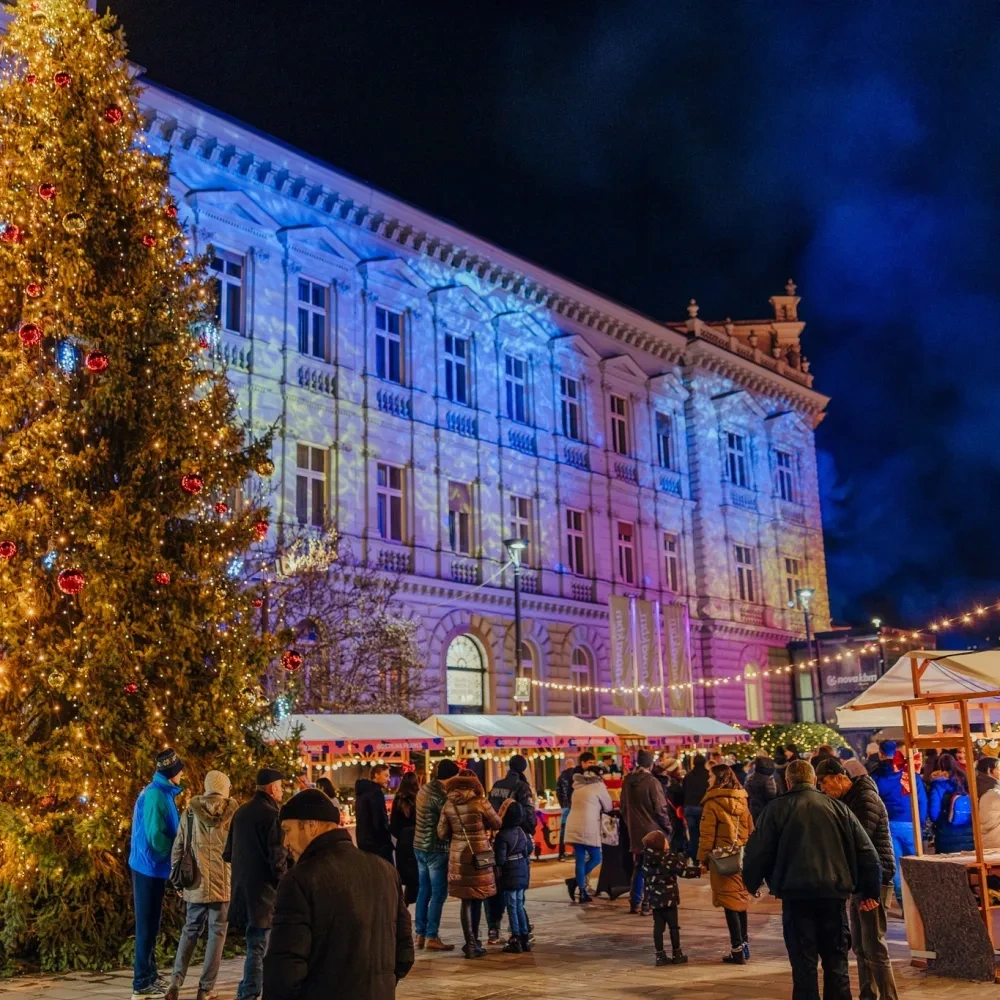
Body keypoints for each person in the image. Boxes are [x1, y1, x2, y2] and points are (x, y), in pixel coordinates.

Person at [744, 759, 882, 1000]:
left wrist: (752, 882)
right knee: (836, 963)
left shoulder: (776, 809)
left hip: (796, 897)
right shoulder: (838, 808)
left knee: (804, 965)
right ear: (813, 780)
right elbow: (867, 852)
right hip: (833, 896)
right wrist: (870, 891)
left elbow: (758, 851)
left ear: (788, 782)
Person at [264, 790, 413, 1000]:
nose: (286, 842)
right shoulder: (385, 870)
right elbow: (404, 952)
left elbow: (285, 966)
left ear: (310, 825)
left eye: (287, 830)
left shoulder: (300, 880)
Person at [815, 758, 898, 1000]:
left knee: (875, 946)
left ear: (840, 777)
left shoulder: (864, 799)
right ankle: (867, 995)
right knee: (861, 947)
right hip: (860, 881)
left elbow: (861, 846)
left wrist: (870, 891)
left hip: (875, 880)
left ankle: (888, 997)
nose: (823, 789)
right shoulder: (848, 799)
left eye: (825, 782)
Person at [167, 770, 238, 1000]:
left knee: (189, 931)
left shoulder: (190, 812)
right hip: (222, 885)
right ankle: (205, 989)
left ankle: (175, 983)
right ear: (225, 788)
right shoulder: (233, 813)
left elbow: (178, 846)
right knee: (216, 935)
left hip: (195, 884)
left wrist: (176, 876)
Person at [224, 767, 288, 1000]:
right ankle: (250, 992)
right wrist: (285, 881)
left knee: (255, 945)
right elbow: (277, 858)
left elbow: (228, 853)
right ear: (271, 789)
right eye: (280, 787)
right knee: (260, 948)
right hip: (265, 893)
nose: (282, 791)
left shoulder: (241, 813)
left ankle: (248, 990)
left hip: (243, 889)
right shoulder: (272, 815)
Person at [129, 748, 185, 1000]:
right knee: (147, 925)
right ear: (171, 773)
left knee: (151, 924)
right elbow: (155, 837)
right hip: (148, 868)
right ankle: (141, 981)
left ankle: (149, 975)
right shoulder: (156, 796)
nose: (183, 773)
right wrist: (175, 854)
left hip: (152, 867)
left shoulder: (161, 792)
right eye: (179, 770)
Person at [437, 769, 504, 958]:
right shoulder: (480, 802)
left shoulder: (448, 805)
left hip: (458, 856)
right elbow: (497, 823)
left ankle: (470, 942)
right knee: (478, 896)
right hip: (478, 855)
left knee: (466, 899)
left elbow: (441, 833)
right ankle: (474, 942)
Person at [697, 764, 754, 965]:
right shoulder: (742, 801)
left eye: (711, 777)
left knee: (730, 903)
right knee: (739, 900)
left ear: (718, 778)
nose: (708, 780)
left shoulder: (712, 803)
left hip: (723, 858)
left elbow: (707, 836)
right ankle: (744, 946)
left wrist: (702, 859)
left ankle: (737, 949)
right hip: (741, 856)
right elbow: (750, 829)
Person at [870, 740, 926, 908]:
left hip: (889, 825)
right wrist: (920, 823)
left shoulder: (875, 776)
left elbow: (874, 801)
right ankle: (920, 903)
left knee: (896, 869)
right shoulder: (909, 773)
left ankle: (905, 906)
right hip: (911, 824)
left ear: (880, 753)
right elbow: (922, 800)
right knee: (917, 864)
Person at [487, 754, 536, 943]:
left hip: (496, 837)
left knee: (496, 885)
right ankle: (518, 926)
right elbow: (528, 814)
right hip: (516, 839)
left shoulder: (497, 785)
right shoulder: (522, 787)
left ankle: (493, 927)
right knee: (516, 888)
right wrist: (528, 832)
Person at [413, 758, 459, 951]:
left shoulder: (424, 789)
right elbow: (451, 816)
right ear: (451, 777)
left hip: (419, 846)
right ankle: (432, 935)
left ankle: (420, 933)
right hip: (436, 848)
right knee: (439, 893)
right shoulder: (441, 796)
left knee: (424, 891)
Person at [621, 750, 673, 914]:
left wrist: (630, 824)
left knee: (638, 866)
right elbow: (660, 808)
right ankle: (647, 904)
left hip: (635, 830)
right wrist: (668, 827)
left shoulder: (628, 780)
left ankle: (635, 902)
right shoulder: (652, 782)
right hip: (652, 830)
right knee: (651, 868)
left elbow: (622, 807)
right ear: (650, 764)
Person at [640, 829, 694, 966]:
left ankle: (660, 956)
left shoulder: (646, 859)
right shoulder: (668, 858)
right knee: (673, 927)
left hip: (655, 899)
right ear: (660, 844)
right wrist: (700, 870)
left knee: (658, 928)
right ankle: (677, 953)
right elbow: (684, 871)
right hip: (669, 899)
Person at [564, 761, 612, 903]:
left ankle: (582, 891)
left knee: (580, 859)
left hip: (573, 825)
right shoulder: (598, 786)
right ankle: (575, 882)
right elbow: (608, 807)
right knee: (597, 858)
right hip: (588, 826)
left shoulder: (577, 786)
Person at [493, 802, 533, 953]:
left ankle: (515, 938)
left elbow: (500, 859)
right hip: (522, 871)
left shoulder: (502, 835)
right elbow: (529, 849)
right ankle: (525, 937)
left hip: (510, 875)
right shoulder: (522, 832)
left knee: (512, 907)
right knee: (519, 906)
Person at [928, 752, 974, 853]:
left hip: (946, 833)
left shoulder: (937, 785)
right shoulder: (965, 781)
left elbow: (934, 813)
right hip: (968, 835)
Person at [389, 771, 419, 906]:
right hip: (417, 841)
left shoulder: (397, 800)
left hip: (403, 843)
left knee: (407, 878)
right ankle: (410, 906)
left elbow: (393, 825)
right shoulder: (418, 799)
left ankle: (404, 907)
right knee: (417, 878)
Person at [355, 764, 393, 864]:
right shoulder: (376, 793)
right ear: (376, 775)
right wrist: (387, 842)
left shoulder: (361, 793)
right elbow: (379, 821)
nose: (388, 779)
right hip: (378, 845)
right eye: (386, 775)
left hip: (364, 843)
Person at [556, 753, 588, 860]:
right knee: (577, 829)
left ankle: (561, 853)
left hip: (566, 806)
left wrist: (562, 804)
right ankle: (576, 851)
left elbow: (558, 791)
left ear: (566, 765)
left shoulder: (561, 776)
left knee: (564, 830)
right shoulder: (577, 775)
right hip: (577, 806)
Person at [681, 754, 710, 863]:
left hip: (690, 808)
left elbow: (683, 791)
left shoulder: (688, 776)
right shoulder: (708, 776)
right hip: (704, 808)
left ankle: (695, 859)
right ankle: (704, 859)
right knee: (705, 835)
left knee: (693, 836)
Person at [746, 756, 777, 822]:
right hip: (766, 810)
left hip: (752, 809)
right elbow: (771, 794)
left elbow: (747, 793)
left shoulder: (751, 777)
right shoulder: (768, 778)